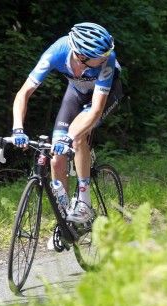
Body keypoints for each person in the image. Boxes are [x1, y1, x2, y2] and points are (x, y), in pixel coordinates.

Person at [10, 22, 122, 245]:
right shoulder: (57, 52)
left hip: (104, 96)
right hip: (76, 93)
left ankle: (84, 201)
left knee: (76, 135)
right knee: (56, 157)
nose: (106, 57)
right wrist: (17, 128)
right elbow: (24, 93)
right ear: (81, 56)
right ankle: (63, 221)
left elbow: (96, 109)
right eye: (100, 56)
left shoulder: (107, 61)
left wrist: (70, 137)